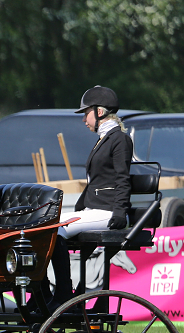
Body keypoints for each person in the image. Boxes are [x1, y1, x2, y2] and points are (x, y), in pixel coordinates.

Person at [47, 85, 133, 309]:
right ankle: (66, 291)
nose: (84, 119)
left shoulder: (119, 140)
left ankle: (64, 292)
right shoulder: (103, 139)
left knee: (56, 230)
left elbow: (123, 178)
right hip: (94, 210)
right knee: (47, 226)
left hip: (107, 212)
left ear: (100, 112)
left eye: (86, 113)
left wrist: (120, 211)